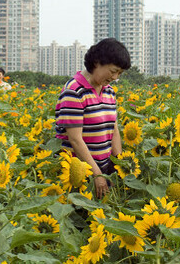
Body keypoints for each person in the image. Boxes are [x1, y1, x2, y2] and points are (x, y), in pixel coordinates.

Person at [55, 38, 131, 197]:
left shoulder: (109, 91)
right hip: (78, 174)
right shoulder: (74, 91)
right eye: (113, 71)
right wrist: (96, 173)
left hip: (102, 170)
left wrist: (118, 165)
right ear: (97, 62)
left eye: (120, 73)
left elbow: (113, 129)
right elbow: (75, 139)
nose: (116, 77)